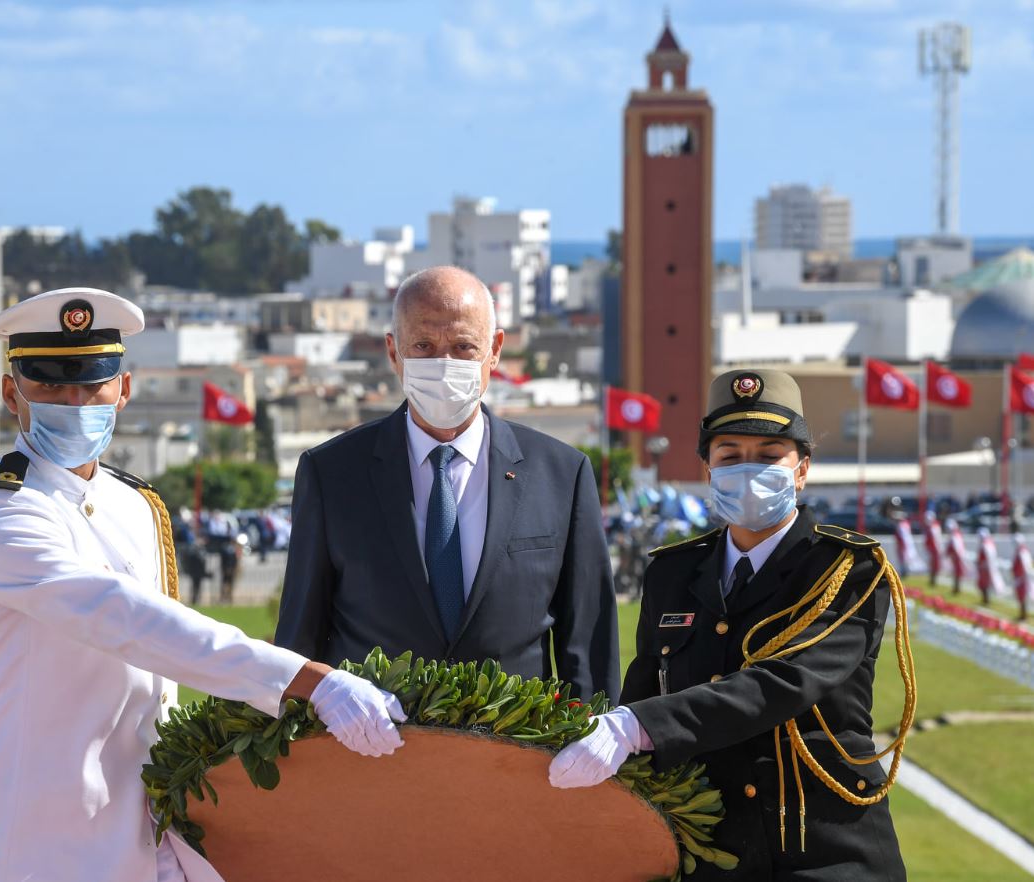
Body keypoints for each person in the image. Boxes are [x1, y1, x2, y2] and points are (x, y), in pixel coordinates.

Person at [0, 288, 406, 882]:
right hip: (25, 844)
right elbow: (127, 621)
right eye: (48, 385)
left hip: (136, 832)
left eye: (92, 383)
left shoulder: (135, 503)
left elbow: (153, 688)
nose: (74, 403)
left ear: (123, 389)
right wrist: (307, 681)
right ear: (10, 394)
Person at [549, 369, 911, 881]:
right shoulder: (673, 573)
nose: (749, 469)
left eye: (769, 456)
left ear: (802, 469)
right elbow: (643, 687)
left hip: (825, 853)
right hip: (710, 855)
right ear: (708, 469)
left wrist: (639, 727)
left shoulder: (846, 570)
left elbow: (785, 681)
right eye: (730, 455)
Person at [275, 266, 619, 702]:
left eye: (462, 346)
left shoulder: (561, 474)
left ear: (493, 350)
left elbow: (587, 653)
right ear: (393, 351)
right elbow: (298, 645)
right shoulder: (331, 473)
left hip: (514, 756)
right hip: (371, 757)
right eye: (423, 345)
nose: (443, 363)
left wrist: (589, 755)